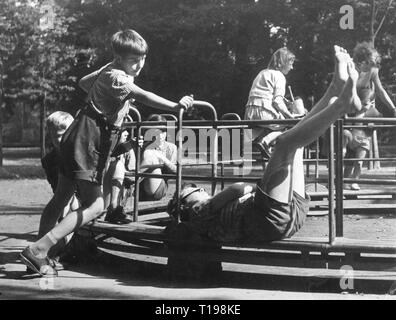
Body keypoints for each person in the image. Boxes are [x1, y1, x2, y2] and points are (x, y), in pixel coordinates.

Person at [19, 29, 193, 277]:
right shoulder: (119, 78)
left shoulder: (108, 70)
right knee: (96, 205)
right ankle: (39, 249)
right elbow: (143, 96)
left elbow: (83, 83)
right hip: (88, 139)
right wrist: (175, 106)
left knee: (60, 198)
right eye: (134, 60)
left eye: (142, 59)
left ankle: (41, 255)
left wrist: (111, 69)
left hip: (76, 136)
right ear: (120, 58)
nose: (140, 65)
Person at [167, 46, 360, 244]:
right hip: (267, 219)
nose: (200, 190)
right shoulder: (197, 211)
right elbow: (238, 188)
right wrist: (253, 188)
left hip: (286, 214)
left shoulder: (206, 216)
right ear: (184, 203)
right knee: (286, 143)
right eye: (193, 191)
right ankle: (340, 105)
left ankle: (334, 89)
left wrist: (256, 187)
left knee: (296, 142)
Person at [343, 42, 396, 190]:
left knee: (363, 147)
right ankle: (343, 181)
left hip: (365, 112)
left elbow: (380, 90)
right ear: (361, 60)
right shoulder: (349, 68)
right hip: (351, 110)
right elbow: (345, 92)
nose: (371, 66)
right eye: (369, 63)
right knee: (350, 149)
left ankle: (355, 179)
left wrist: (393, 107)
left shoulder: (372, 71)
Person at [34, 111, 78, 272]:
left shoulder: (77, 153)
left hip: (76, 195)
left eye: (64, 135)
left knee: (73, 206)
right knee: (67, 206)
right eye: (55, 136)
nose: (59, 140)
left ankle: (59, 251)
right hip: (64, 196)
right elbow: (58, 190)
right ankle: (47, 253)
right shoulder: (50, 160)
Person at [244, 47, 303, 158]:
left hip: (250, 113)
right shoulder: (279, 76)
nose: (292, 67)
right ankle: (264, 142)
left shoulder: (262, 73)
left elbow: (263, 94)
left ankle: (255, 143)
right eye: (290, 63)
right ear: (281, 63)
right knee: (290, 126)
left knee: (271, 125)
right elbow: (277, 102)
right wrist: (290, 117)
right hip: (263, 113)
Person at [139, 114, 177, 201]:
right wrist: (134, 147)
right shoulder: (142, 145)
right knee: (149, 153)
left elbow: (176, 171)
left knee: (151, 155)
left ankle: (133, 180)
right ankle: (133, 181)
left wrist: (161, 157)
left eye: (163, 132)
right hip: (140, 189)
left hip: (158, 189)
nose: (160, 136)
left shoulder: (171, 147)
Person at [102, 129, 137, 224]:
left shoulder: (128, 150)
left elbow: (133, 175)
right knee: (114, 164)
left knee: (118, 165)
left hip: (118, 193)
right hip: (101, 191)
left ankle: (113, 207)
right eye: (123, 130)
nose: (127, 133)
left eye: (127, 130)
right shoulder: (102, 148)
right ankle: (110, 209)